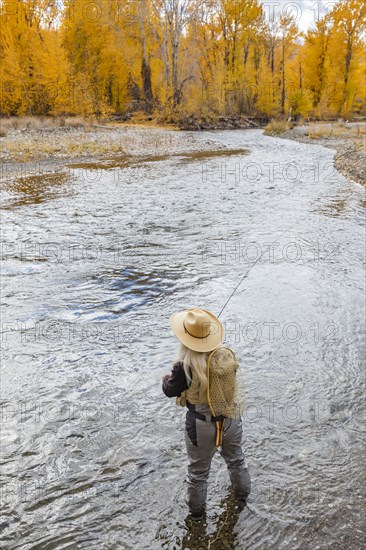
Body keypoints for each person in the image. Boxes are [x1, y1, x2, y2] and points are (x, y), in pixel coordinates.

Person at [162, 307, 251, 521]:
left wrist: (166, 378)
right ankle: (243, 500)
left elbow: (170, 391)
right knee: (236, 460)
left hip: (200, 425)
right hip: (231, 418)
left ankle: (196, 518)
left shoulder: (184, 365)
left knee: (198, 474)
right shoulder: (225, 355)